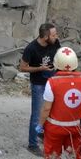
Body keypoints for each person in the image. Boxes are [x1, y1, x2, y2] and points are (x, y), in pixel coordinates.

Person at [37, 47, 81, 159]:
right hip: (76, 128)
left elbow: (46, 108)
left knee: (52, 156)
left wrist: (40, 124)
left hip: (55, 128)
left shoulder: (52, 82)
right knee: (73, 155)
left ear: (56, 64)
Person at [20, 22, 61, 155]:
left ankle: (43, 134)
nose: (56, 37)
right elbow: (22, 67)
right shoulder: (31, 48)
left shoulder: (55, 43)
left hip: (53, 82)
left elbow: (59, 56)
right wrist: (40, 68)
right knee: (37, 115)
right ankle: (32, 144)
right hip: (39, 84)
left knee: (51, 111)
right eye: (53, 35)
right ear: (45, 37)